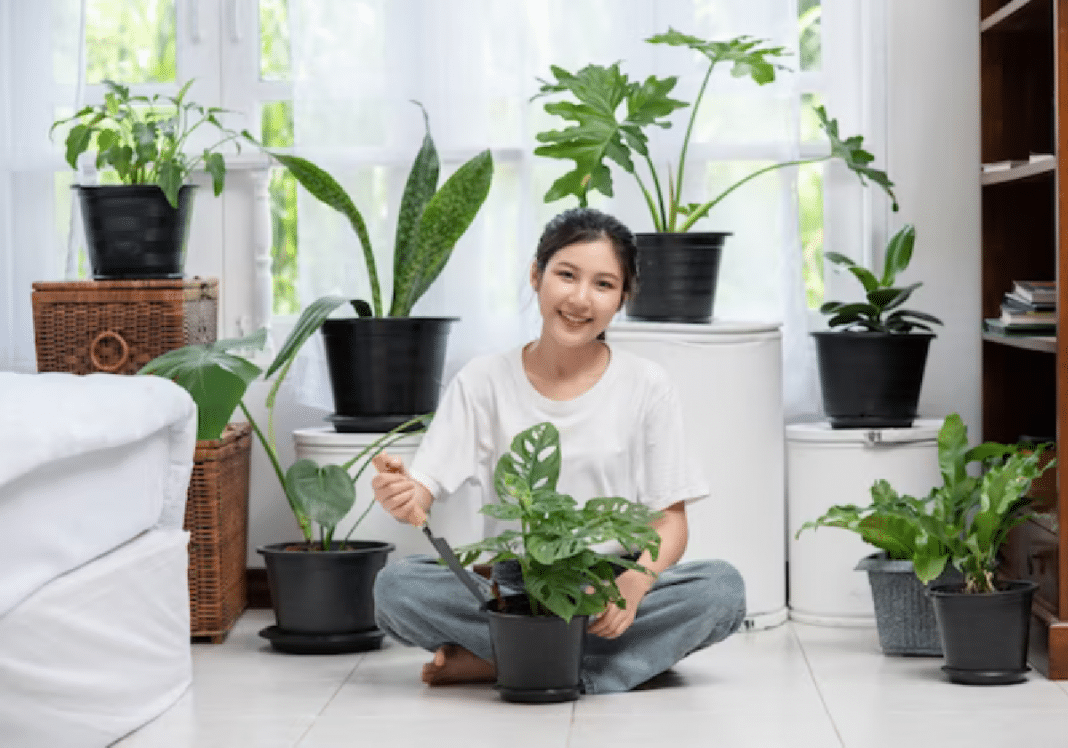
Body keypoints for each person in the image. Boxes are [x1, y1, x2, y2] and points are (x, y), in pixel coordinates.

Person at [370, 207, 746, 695]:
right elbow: (423, 490)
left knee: (721, 590)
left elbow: (671, 521)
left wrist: (635, 586)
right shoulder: (483, 380)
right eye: (566, 275)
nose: (580, 298)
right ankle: (590, 666)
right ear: (536, 275)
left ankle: (507, 660)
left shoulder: (647, 385)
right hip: (514, 588)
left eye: (604, 285)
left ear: (624, 298)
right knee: (396, 588)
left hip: (606, 585)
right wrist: (404, 491)